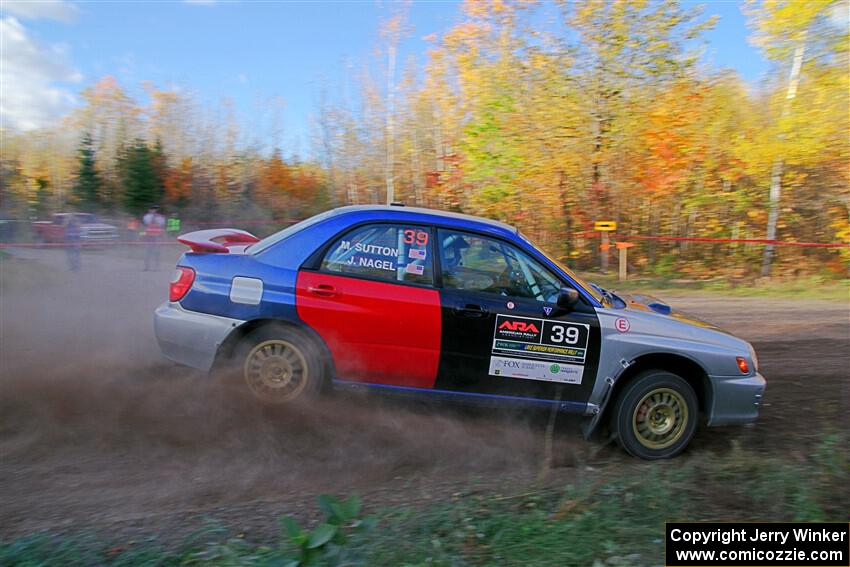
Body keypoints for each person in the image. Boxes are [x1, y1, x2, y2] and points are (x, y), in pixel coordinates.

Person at [142, 205, 165, 271]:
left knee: (157, 252)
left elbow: (161, 223)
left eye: (155, 209)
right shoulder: (147, 216)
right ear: (150, 210)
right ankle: (147, 266)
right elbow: (147, 222)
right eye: (152, 209)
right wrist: (153, 217)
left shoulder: (160, 217)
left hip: (157, 236)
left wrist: (156, 218)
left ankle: (156, 267)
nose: (154, 210)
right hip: (149, 236)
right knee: (148, 252)